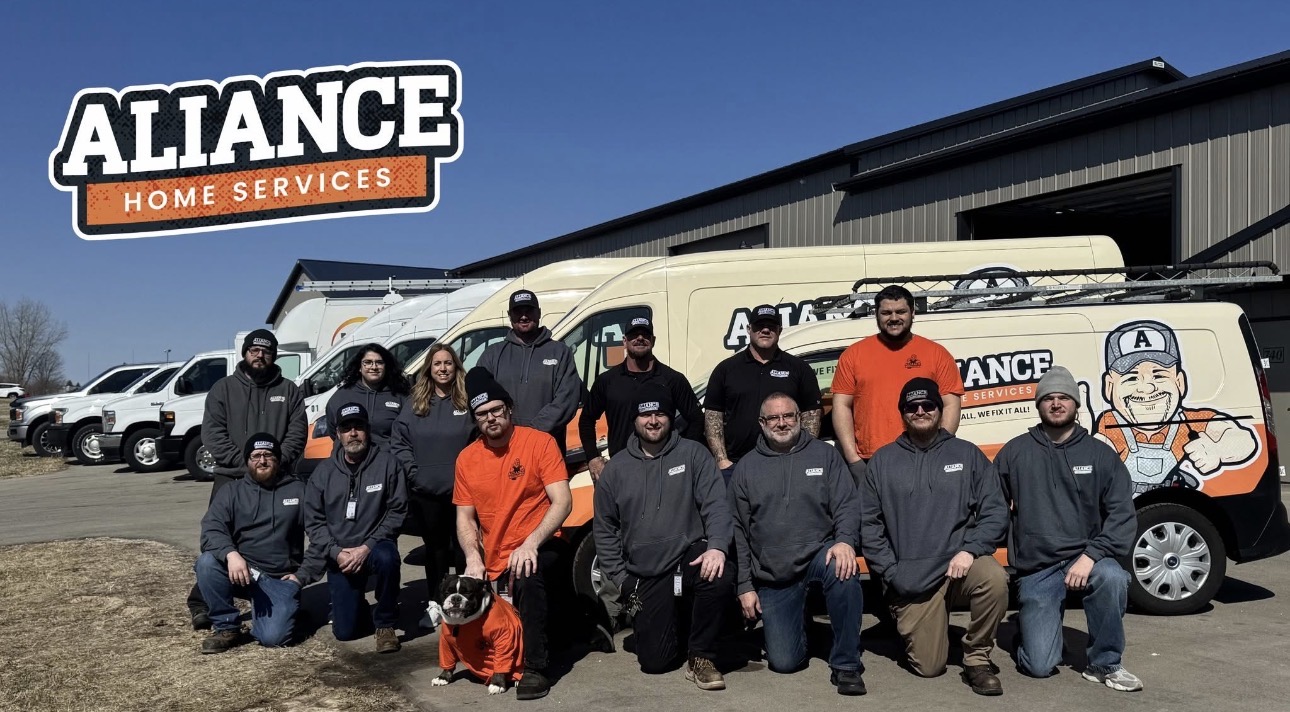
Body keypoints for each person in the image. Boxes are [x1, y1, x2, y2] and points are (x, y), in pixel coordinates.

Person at [995, 366, 1143, 692]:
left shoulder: (1100, 455)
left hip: (1086, 557)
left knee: (1113, 577)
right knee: (1039, 666)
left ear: (1076, 404)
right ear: (1039, 405)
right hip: (1038, 566)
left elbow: (1122, 515)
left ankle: (1105, 664)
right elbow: (993, 507)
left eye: (1064, 397)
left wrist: (1091, 556)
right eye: (1048, 398)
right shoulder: (1015, 453)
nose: (1056, 403)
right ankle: (1032, 635)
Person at [860, 378, 1009, 695]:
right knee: (929, 668)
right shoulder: (883, 461)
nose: (920, 411)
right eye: (912, 407)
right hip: (911, 579)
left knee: (994, 579)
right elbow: (869, 525)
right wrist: (891, 572)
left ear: (940, 410)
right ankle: (922, 626)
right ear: (903, 413)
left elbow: (995, 511)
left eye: (928, 405)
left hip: (959, 567)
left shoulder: (967, 454)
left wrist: (971, 549)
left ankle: (977, 659)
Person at [592, 383, 734, 690]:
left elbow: (717, 507)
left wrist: (718, 547)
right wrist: (622, 580)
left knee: (719, 575)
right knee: (655, 663)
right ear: (635, 419)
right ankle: (669, 629)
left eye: (660, 414)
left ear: (671, 417)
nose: (653, 421)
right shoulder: (616, 470)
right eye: (646, 415)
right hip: (646, 572)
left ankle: (701, 655)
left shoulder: (693, 454)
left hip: (688, 557)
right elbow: (605, 530)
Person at [731, 392, 866, 696]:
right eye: (773, 418)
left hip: (819, 554)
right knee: (785, 662)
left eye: (788, 416)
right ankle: (802, 625)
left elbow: (847, 505)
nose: (782, 423)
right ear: (762, 423)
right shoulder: (746, 468)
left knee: (844, 569)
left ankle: (846, 664)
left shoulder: (825, 455)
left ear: (799, 418)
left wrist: (845, 541)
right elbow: (738, 530)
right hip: (774, 573)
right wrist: (744, 586)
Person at [454, 366, 573, 701]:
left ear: (509, 409)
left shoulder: (539, 442)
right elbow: (465, 518)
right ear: (475, 419)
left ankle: (535, 667)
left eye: (496, 410)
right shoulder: (467, 459)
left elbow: (563, 501)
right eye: (482, 414)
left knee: (527, 574)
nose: (491, 418)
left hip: (541, 543)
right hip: (494, 553)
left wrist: (531, 543)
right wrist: (472, 557)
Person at [189, 328, 307, 630]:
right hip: (231, 478)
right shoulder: (223, 389)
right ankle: (204, 602)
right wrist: (248, 466)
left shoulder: (289, 390)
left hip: (277, 478)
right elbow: (212, 434)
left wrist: (274, 465)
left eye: (266, 351)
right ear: (245, 353)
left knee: (282, 537)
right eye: (254, 350)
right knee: (218, 541)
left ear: (274, 355)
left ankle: (282, 590)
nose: (260, 355)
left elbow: (297, 434)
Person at [195, 433, 324, 653]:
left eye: (268, 455)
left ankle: (286, 612)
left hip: (278, 578)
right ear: (247, 460)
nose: (262, 461)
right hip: (242, 571)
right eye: (255, 456)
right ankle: (227, 627)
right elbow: (211, 529)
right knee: (207, 563)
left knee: (273, 638)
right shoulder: (232, 491)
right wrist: (231, 554)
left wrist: (302, 576)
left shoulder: (299, 491)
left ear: (278, 459)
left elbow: (320, 536)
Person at [831, 284, 965, 481]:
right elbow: (841, 405)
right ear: (876, 315)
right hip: (871, 460)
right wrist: (853, 460)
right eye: (886, 313)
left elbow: (951, 404)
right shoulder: (853, 355)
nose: (894, 318)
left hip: (923, 455)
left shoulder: (936, 354)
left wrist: (938, 449)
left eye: (901, 311)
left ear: (913, 313)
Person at [304, 403, 408, 653]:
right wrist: (335, 552)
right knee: (345, 633)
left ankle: (385, 623)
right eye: (346, 428)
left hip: (374, 547)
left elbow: (397, 511)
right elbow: (313, 521)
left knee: (388, 558)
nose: (353, 433)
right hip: (339, 554)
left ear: (367, 430)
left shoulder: (388, 464)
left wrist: (367, 547)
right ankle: (356, 605)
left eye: (358, 427)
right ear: (338, 434)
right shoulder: (323, 473)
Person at [390, 343, 475, 623]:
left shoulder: (467, 400)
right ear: (429, 368)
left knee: (464, 549)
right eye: (437, 364)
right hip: (426, 493)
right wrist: (414, 473)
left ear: (456, 367)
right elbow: (399, 442)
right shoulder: (416, 403)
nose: (443, 369)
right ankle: (436, 605)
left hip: (463, 493)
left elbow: (479, 441)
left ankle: (468, 607)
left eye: (448, 363)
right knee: (435, 552)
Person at [706, 305, 822, 481]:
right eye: (759, 325)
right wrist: (722, 461)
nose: (765, 330)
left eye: (771, 326)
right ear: (749, 329)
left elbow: (811, 414)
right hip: (737, 466)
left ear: (779, 330)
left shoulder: (799, 369)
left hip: (788, 463)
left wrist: (802, 455)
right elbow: (713, 417)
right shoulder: (726, 370)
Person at [580, 316, 704, 481]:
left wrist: (682, 455)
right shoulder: (607, 381)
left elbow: (697, 419)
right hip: (622, 470)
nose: (639, 338)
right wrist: (593, 458)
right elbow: (586, 420)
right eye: (634, 335)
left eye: (645, 335)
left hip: (664, 470)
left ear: (653, 341)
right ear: (624, 341)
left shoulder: (673, 379)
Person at [476, 289, 582, 453]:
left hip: (546, 448)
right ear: (509, 315)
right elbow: (480, 400)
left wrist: (530, 434)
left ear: (539, 313)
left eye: (529, 310)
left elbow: (567, 400)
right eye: (518, 311)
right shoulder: (492, 354)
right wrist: (508, 434)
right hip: (502, 449)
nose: (524, 316)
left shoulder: (560, 352)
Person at [326, 342, 411, 448]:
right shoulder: (342, 396)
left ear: (386, 366)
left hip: (389, 456)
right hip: (353, 456)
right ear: (359, 367)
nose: (374, 367)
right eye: (368, 362)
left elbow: (408, 432)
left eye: (379, 362)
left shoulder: (399, 396)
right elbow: (334, 430)